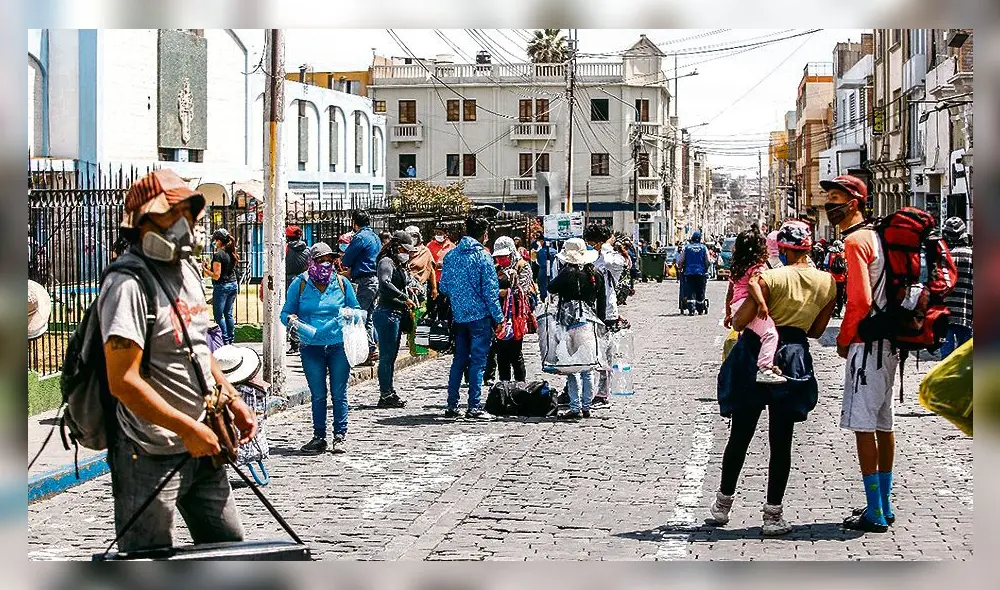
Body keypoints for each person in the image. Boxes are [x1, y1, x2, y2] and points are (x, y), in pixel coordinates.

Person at [100, 168, 257, 552]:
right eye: (175, 215)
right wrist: (186, 428)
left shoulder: (187, 271)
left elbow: (198, 348)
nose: (187, 226)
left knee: (228, 548)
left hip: (204, 442)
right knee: (148, 558)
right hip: (149, 451)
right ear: (144, 222)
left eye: (189, 215)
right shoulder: (127, 285)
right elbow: (123, 381)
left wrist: (232, 397)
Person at [711, 220, 837, 535]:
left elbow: (740, 321)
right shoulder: (827, 282)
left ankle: (723, 504)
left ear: (781, 248)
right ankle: (773, 515)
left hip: (755, 354)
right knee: (782, 441)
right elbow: (817, 330)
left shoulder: (769, 277)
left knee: (740, 434)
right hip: (793, 355)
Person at [821, 174, 898, 533]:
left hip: (867, 345)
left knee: (864, 427)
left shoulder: (854, 241)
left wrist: (844, 338)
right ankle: (885, 503)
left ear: (854, 203)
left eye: (835, 198)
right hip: (891, 343)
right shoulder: (879, 236)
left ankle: (875, 511)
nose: (829, 204)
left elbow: (860, 300)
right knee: (884, 424)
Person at [282, 242, 360, 454]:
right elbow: (285, 313)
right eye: (320, 260)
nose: (325, 264)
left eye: (329, 260)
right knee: (318, 394)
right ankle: (319, 437)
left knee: (339, 392)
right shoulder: (300, 284)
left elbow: (358, 310)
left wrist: (350, 314)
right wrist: (291, 321)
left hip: (338, 345)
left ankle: (340, 435)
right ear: (311, 262)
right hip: (311, 347)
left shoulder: (342, 283)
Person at [439, 216, 503, 420]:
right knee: (478, 362)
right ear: (484, 234)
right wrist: (499, 318)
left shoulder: (451, 256)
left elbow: (444, 287)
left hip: (459, 317)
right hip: (480, 317)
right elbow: (490, 293)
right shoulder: (483, 257)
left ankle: (452, 405)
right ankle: (474, 406)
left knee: (458, 361)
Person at [547, 238, 606, 420]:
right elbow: (602, 302)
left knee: (572, 368)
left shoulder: (567, 273)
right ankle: (586, 406)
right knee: (587, 367)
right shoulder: (595, 274)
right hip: (588, 324)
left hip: (569, 324)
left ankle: (575, 407)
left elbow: (551, 288)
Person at [724, 227, 786, 384]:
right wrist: (761, 304)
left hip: (736, 305)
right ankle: (765, 367)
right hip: (748, 305)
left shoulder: (737, 268)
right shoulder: (757, 267)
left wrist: (728, 314)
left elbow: (730, 293)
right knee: (770, 334)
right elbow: (752, 284)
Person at [372, 231, 419, 409]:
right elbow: (385, 282)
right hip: (387, 314)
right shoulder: (386, 262)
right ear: (396, 247)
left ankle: (389, 391)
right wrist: (403, 297)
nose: (406, 253)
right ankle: (385, 394)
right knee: (386, 356)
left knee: (391, 356)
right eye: (404, 250)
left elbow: (398, 283)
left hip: (397, 314)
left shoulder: (397, 264)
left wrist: (409, 291)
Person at [583, 224, 627, 405]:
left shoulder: (612, 258)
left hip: (607, 312)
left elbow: (614, 263)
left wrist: (607, 245)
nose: (589, 245)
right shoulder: (593, 257)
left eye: (592, 242)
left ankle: (603, 392)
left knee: (605, 354)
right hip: (590, 309)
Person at [483, 236, 535, 384]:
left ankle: (520, 385)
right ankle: (504, 386)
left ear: (511, 253)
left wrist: (503, 291)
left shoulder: (522, 266)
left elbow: (522, 290)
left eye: (503, 256)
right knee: (501, 354)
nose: (500, 260)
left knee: (516, 353)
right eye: (498, 257)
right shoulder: (496, 269)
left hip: (516, 316)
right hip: (498, 316)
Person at [341, 209, 382, 366]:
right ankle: (370, 351)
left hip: (364, 281)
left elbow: (346, 259)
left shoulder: (360, 237)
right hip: (375, 280)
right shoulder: (375, 236)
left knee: (357, 317)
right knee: (368, 318)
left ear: (354, 222)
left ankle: (367, 351)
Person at [941, 217, 972, 358]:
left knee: (946, 356)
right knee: (964, 357)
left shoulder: (942, 255)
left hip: (944, 313)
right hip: (966, 311)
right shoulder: (972, 255)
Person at [203, 229, 240, 346]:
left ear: (219, 241)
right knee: (228, 314)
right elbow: (225, 269)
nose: (214, 243)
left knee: (218, 316)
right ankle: (230, 339)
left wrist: (204, 270)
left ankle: (225, 340)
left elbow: (216, 275)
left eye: (215, 240)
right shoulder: (232, 253)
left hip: (222, 287)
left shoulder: (218, 255)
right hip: (233, 284)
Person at [285, 226, 310, 353]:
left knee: (292, 312)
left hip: (289, 281)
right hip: (304, 282)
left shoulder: (285, 249)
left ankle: (294, 343)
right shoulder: (307, 250)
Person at [678, 230, 710, 314]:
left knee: (690, 291)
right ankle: (700, 309)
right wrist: (706, 268)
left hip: (689, 273)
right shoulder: (703, 248)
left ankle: (691, 309)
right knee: (700, 291)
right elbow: (708, 260)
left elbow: (681, 260)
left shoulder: (687, 248)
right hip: (701, 273)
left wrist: (680, 267)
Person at [405, 225, 438, 302]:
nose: (412, 238)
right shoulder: (402, 250)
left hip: (419, 288)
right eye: (410, 236)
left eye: (414, 236)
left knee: (418, 308)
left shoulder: (425, 251)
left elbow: (431, 270)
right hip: (403, 288)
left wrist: (434, 288)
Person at [826, 240, 848, 318]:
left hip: (831, 278)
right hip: (841, 279)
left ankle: (831, 311)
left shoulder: (829, 254)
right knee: (840, 295)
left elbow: (825, 264)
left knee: (831, 295)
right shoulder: (844, 254)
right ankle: (838, 311)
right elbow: (847, 266)